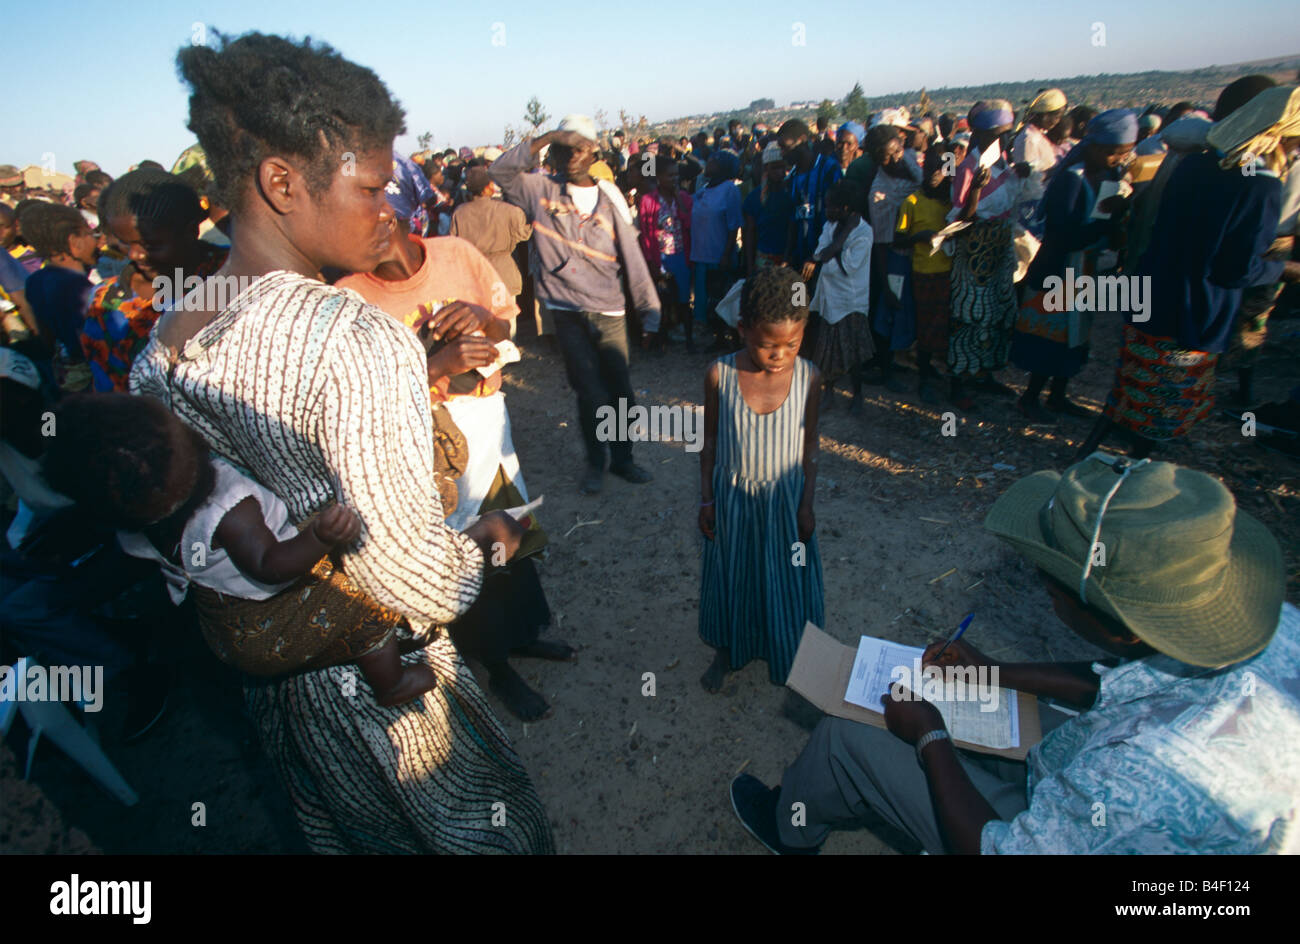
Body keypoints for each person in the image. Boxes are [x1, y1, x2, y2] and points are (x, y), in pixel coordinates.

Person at [130, 30, 552, 854]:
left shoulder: (168, 340)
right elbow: (415, 580)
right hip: (387, 692)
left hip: (288, 699)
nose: (387, 207)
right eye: (370, 186)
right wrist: (487, 545)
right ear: (282, 183)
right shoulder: (350, 340)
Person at [732, 454, 1298, 855]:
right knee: (990, 703)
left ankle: (792, 835)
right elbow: (1122, 685)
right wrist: (993, 672)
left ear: (1124, 629)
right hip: (1100, 774)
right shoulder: (1269, 631)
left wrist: (930, 738)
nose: (1041, 585)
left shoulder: (1139, 783)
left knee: (846, 733)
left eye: (1051, 583)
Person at [43, 392, 438, 707]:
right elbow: (273, 565)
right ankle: (391, 681)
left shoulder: (136, 522)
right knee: (364, 600)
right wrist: (321, 536)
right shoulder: (227, 507)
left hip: (221, 623)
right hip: (270, 621)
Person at [338, 204, 574, 723]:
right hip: (426, 445)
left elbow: (503, 329)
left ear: (394, 217)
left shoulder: (456, 255)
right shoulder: (349, 295)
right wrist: (438, 364)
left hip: (487, 421)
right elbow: (363, 399)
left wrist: (482, 319)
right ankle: (495, 664)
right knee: (463, 552)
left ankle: (521, 638)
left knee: (511, 533)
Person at [1077, 82, 1300, 460]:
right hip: (1195, 310)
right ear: (1275, 136)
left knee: (1131, 384)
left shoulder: (1196, 162)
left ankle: (1093, 452)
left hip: (1151, 294)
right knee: (1164, 405)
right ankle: (1135, 480)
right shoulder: (1260, 187)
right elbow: (1236, 270)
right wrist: (1286, 269)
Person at [489, 113, 660, 495]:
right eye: (565, 147)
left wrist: (649, 311)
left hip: (610, 311)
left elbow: (632, 256)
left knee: (621, 392)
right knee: (589, 391)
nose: (572, 154)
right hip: (566, 311)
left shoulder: (609, 195)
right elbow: (499, 173)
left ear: (594, 150)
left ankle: (624, 459)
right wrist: (546, 135)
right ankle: (596, 464)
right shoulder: (540, 190)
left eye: (581, 146)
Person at [698, 266, 823, 693]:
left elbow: (810, 447)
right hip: (734, 500)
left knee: (786, 575)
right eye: (767, 345)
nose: (780, 355)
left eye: (792, 343)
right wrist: (706, 500)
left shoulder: (808, 378)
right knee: (736, 573)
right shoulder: (720, 375)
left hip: (785, 504)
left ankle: (784, 647)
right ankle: (730, 649)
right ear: (742, 329)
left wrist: (806, 503)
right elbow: (709, 441)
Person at [1011, 109, 1137, 422]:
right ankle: (1031, 397)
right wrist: (1107, 223)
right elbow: (1062, 233)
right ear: (1092, 146)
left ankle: (1057, 395)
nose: (1115, 159)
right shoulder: (1071, 179)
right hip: (1060, 267)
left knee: (1076, 335)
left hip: (1085, 266)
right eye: (1110, 152)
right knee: (1051, 338)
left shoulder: (1109, 177)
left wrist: (1115, 218)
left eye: (1122, 154)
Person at [80, 169, 227, 392]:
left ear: (190, 231)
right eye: (124, 243)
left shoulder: (237, 275)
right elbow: (110, 386)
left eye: (151, 245)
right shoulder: (106, 301)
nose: (134, 255)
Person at [946, 100, 1023, 410]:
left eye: (1008, 134)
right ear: (983, 134)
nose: (1006, 140)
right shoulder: (968, 168)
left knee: (997, 312)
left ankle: (985, 373)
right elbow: (958, 219)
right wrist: (977, 191)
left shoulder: (1003, 164)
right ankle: (959, 381)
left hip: (999, 247)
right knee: (970, 314)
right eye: (1001, 134)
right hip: (974, 252)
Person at [15, 202, 99, 392]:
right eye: (89, 234)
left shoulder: (35, 280)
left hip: (63, 378)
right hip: (92, 379)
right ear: (74, 242)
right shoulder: (81, 289)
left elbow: (46, 338)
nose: (96, 241)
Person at [862, 124, 922, 390]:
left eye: (897, 151)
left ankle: (909, 362)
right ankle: (886, 371)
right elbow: (883, 242)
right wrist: (885, 284)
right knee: (889, 313)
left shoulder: (910, 162)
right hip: (895, 259)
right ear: (877, 159)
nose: (895, 158)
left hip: (922, 256)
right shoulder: (879, 194)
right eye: (887, 156)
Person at [894, 147, 955, 404]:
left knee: (945, 327)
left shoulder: (951, 202)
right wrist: (919, 237)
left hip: (950, 273)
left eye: (940, 169)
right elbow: (899, 238)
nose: (933, 174)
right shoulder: (912, 202)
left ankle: (938, 373)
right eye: (929, 168)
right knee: (926, 326)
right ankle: (925, 379)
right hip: (924, 274)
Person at [806, 180, 872, 412]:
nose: (827, 211)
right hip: (829, 298)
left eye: (832, 207)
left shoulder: (864, 232)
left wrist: (832, 251)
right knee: (826, 351)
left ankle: (858, 395)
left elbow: (848, 266)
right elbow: (819, 253)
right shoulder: (831, 226)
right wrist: (839, 241)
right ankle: (829, 394)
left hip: (850, 301)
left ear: (846, 208)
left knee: (852, 354)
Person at [449, 166, 533, 314]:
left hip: (474, 274)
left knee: (482, 323)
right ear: (488, 187)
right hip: (503, 274)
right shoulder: (509, 211)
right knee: (506, 322)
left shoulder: (459, 213)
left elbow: (454, 245)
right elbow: (525, 234)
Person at [636, 159, 694, 348]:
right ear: (659, 178)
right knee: (661, 300)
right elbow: (645, 234)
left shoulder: (684, 198)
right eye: (670, 175)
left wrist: (678, 198)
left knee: (684, 301)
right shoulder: (648, 200)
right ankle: (661, 341)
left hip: (680, 255)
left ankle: (689, 340)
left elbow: (689, 223)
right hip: (660, 256)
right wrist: (651, 262)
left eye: (676, 175)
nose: (674, 179)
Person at [689, 150, 743, 349]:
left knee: (723, 298)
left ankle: (733, 340)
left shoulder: (730, 190)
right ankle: (717, 338)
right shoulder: (704, 188)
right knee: (709, 301)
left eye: (712, 162)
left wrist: (726, 254)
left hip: (719, 255)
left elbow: (734, 225)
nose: (708, 164)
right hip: (702, 254)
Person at [779, 120, 836, 269]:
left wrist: (816, 256)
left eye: (785, 147)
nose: (782, 153)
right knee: (799, 292)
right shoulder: (792, 178)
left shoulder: (828, 169)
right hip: (800, 260)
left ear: (802, 140)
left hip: (826, 260)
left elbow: (836, 220)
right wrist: (787, 255)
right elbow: (793, 218)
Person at [1011, 88, 1067, 233]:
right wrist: (1055, 171)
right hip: (1031, 205)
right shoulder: (1029, 139)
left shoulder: (1037, 136)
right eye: (1057, 116)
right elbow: (1027, 178)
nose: (1058, 121)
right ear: (1046, 115)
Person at [742, 143, 794, 276]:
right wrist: (749, 265)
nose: (780, 172)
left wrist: (787, 258)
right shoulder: (754, 198)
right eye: (775, 168)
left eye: (783, 168)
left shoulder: (792, 194)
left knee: (793, 295)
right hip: (763, 261)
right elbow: (749, 233)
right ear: (766, 168)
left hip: (788, 259)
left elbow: (791, 230)